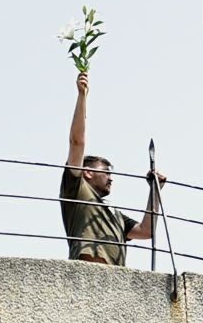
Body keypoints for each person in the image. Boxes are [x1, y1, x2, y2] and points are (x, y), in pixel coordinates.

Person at [60, 70, 166, 266]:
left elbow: (146, 230)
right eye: (106, 172)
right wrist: (82, 95)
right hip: (85, 272)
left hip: (114, 280)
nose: (111, 177)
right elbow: (77, 142)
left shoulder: (115, 214)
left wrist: (155, 191)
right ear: (88, 172)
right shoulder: (76, 191)